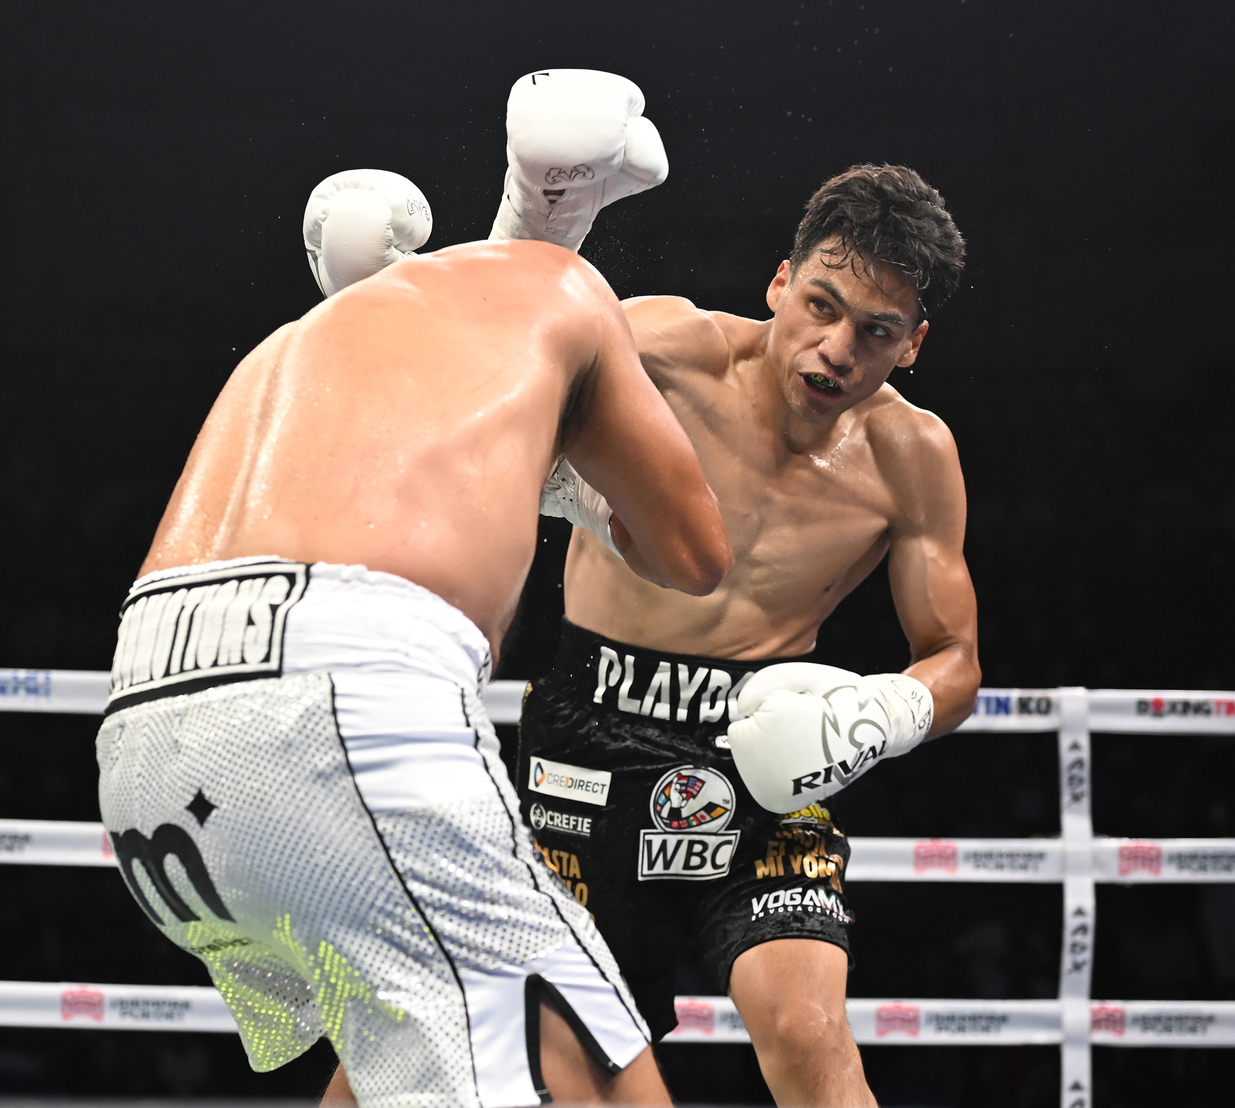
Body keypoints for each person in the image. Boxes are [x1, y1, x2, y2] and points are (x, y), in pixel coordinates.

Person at [312, 69, 980, 1107]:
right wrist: (383, 291)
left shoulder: (913, 458)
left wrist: (889, 707)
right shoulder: (664, 348)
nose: (836, 350)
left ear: (914, 344)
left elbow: (954, 660)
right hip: (585, 746)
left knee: (808, 1035)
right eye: (822, 306)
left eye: (877, 331)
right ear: (778, 282)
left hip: (756, 767)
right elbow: (490, 360)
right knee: (437, 1028)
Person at [95, 226, 732, 1108]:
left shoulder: (297, 348)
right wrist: (570, 482)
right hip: (338, 706)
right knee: (580, 1051)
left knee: (414, 1030)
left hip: (147, 735)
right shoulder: (567, 289)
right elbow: (698, 556)